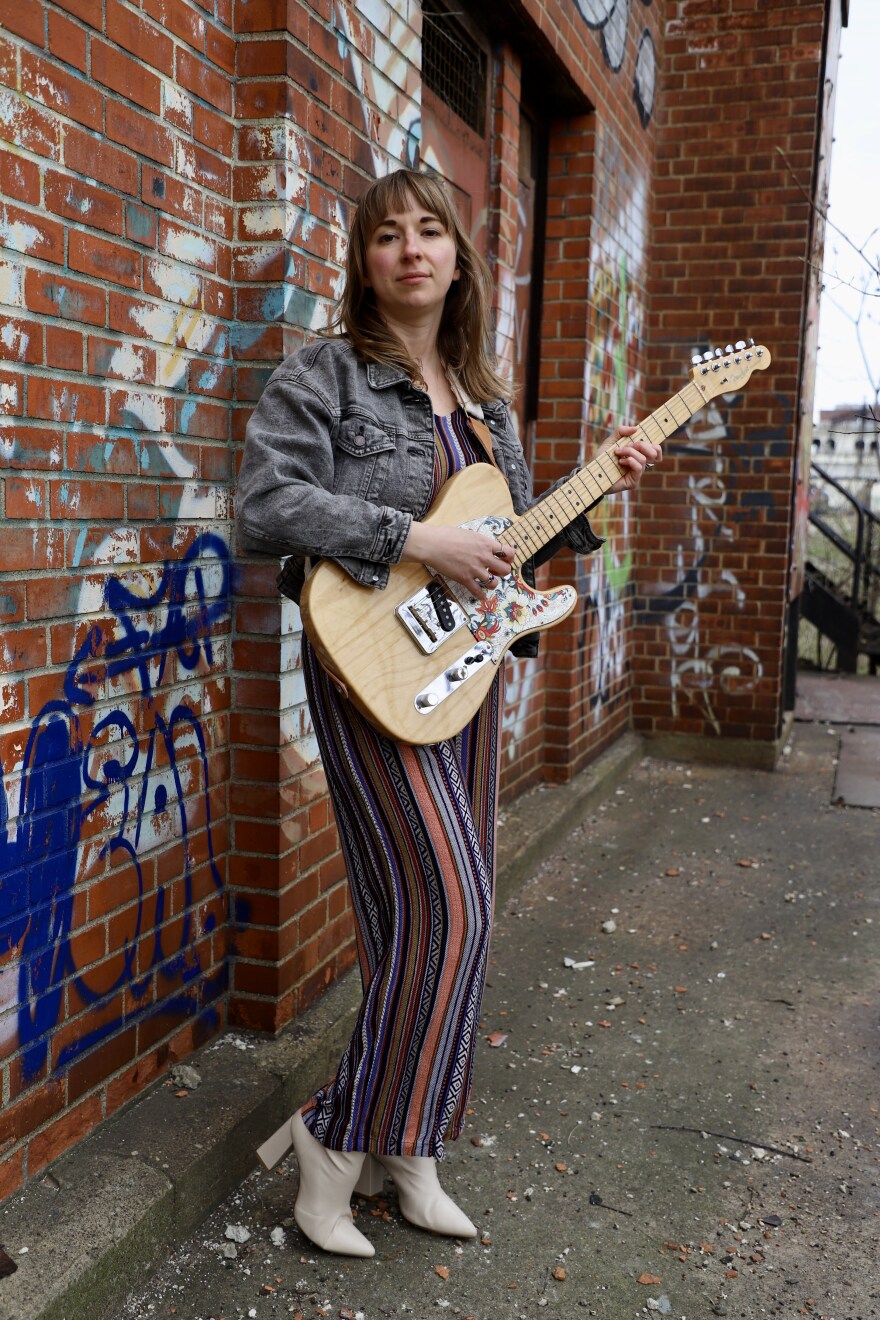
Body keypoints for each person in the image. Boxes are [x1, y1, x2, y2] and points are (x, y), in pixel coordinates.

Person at [235, 167, 660, 1259]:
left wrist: (599, 485)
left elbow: (510, 553)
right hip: (367, 676)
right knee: (455, 911)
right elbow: (266, 506)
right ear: (365, 261)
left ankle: (405, 1149)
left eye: (432, 232)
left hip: (465, 680)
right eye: (388, 236)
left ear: (459, 259)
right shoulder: (324, 375)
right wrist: (413, 538)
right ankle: (332, 1141)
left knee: (417, 931)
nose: (411, 250)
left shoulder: (484, 401)